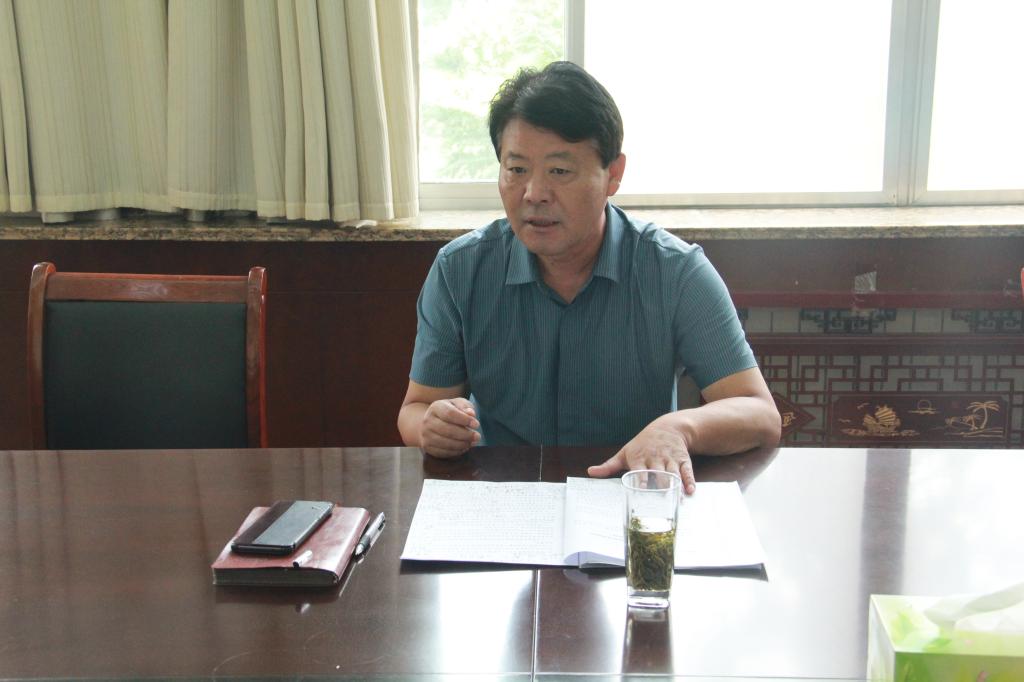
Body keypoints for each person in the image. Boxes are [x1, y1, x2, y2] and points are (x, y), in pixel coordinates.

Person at [398, 61, 780, 493]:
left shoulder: (674, 272)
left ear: (613, 175)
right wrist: (431, 427)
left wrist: (679, 428)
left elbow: (759, 414)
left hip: (628, 498)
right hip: (503, 496)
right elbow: (416, 409)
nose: (534, 193)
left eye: (559, 171)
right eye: (516, 169)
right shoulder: (461, 269)